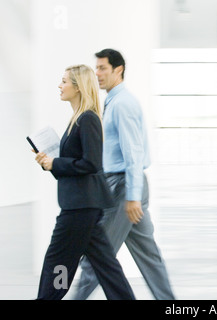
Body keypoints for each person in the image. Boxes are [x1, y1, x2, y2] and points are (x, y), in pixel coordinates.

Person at [72, 49, 175, 300]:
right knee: (149, 256)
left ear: (119, 70)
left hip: (123, 187)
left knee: (98, 254)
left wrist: (132, 197)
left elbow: (133, 153)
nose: (97, 74)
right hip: (124, 185)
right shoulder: (113, 102)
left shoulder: (122, 104)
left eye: (103, 68)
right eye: (96, 68)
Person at [33, 64, 136, 300]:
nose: (60, 86)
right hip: (83, 206)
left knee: (59, 261)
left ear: (78, 88)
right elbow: (74, 165)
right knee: (106, 266)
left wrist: (55, 163)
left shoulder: (87, 118)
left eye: (64, 81)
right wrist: (48, 162)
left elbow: (91, 164)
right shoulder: (78, 118)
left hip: (79, 208)